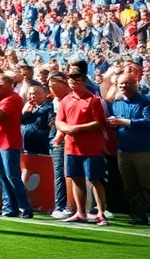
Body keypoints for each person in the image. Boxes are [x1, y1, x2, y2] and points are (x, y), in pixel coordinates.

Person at [56, 63, 110, 226]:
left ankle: (101, 213)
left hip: (91, 147)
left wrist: (76, 128)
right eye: (71, 79)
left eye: (78, 79)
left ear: (84, 80)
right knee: (76, 179)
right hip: (72, 146)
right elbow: (59, 121)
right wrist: (65, 128)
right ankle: (81, 212)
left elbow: (100, 122)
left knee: (94, 179)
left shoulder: (93, 100)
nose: (74, 82)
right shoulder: (66, 100)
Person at [0, 73, 33, 218]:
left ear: (9, 85)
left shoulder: (13, 99)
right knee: (1, 176)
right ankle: (9, 207)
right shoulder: (1, 99)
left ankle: (25, 208)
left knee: (12, 176)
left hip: (8, 142)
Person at [108, 71, 150, 225]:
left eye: (127, 83)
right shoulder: (117, 103)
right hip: (123, 150)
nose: (124, 86)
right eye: (121, 84)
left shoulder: (145, 102)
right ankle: (138, 214)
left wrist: (127, 122)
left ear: (135, 84)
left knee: (147, 184)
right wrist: (113, 123)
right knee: (130, 186)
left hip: (143, 150)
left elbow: (148, 121)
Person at [47, 73, 72, 218]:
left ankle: (69, 206)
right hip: (57, 139)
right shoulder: (56, 100)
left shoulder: (69, 99)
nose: (51, 89)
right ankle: (61, 205)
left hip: (67, 139)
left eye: (53, 86)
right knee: (59, 173)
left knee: (68, 174)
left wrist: (60, 134)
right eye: (50, 87)